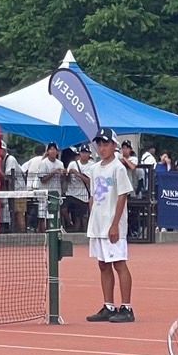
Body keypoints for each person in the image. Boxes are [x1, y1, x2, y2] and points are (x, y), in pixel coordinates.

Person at [85, 128, 135, 322]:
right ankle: (108, 305)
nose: (102, 148)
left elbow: (123, 195)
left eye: (106, 144)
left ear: (114, 146)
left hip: (112, 225)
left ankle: (127, 307)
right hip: (98, 224)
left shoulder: (118, 167)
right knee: (103, 264)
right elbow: (93, 196)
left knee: (119, 264)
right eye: (100, 144)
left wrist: (115, 225)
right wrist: (93, 219)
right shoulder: (95, 169)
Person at [65, 142, 92, 232]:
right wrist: (67, 173)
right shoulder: (72, 164)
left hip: (83, 196)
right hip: (71, 193)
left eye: (86, 152)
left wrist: (77, 174)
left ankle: (84, 234)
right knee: (63, 208)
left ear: (89, 154)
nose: (84, 154)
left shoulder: (91, 166)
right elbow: (67, 179)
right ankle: (69, 223)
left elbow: (89, 181)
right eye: (82, 152)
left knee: (81, 218)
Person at [1, 142, 28, 233]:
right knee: (13, 214)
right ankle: (18, 235)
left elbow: (9, 177)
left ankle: (23, 235)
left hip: (19, 191)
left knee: (19, 214)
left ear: (3, 150)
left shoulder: (10, 159)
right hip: (13, 192)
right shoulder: (3, 160)